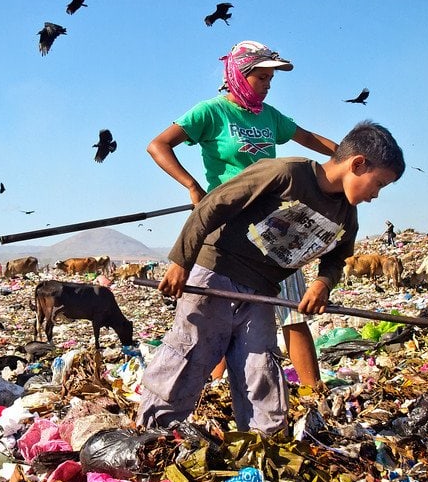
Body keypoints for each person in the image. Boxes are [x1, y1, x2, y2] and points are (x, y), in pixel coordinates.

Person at [137, 121, 405, 434]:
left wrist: (322, 283)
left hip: (262, 292)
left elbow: (337, 256)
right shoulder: (287, 174)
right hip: (216, 275)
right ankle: (153, 436)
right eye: (378, 184)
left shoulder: (346, 212)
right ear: (357, 164)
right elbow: (214, 205)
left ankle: (263, 442)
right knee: (190, 355)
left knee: (260, 368)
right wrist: (181, 261)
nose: (375, 195)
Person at [147, 39, 339, 381]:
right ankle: (217, 384)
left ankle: (314, 392)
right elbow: (158, 145)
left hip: (277, 225)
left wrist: (350, 158)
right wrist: (192, 186)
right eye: (261, 78)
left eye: (270, 80)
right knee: (220, 311)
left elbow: (310, 139)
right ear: (239, 74)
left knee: (293, 310)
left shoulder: (270, 117)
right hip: (230, 224)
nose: (267, 87)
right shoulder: (211, 112)